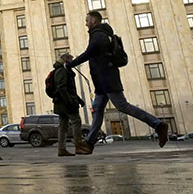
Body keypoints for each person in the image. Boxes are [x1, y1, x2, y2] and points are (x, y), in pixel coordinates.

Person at [68, 11, 169, 154]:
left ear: (94, 21)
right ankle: (88, 144)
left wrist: (70, 64)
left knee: (122, 106)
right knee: (97, 110)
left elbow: (88, 53)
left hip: (107, 79)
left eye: (87, 20)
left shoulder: (98, 36)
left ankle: (158, 125)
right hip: (102, 82)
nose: (86, 23)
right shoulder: (101, 34)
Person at [52, 53, 89, 157]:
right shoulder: (62, 71)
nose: (73, 62)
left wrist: (79, 100)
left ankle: (62, 149)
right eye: (71, 60)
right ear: (65, 60)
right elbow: (62, 88)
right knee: (76, 121)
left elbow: (70, 90)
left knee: (63, 126)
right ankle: (79, 145)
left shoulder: (63, 71)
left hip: (62, 103)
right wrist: (70, 102)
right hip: (66, 103)